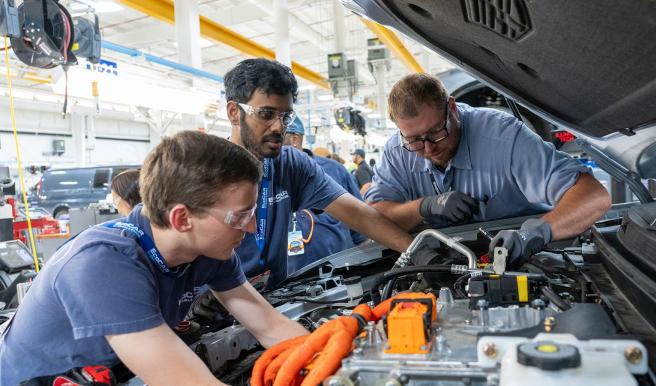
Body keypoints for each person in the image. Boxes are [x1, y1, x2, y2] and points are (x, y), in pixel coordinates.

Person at [0, 131, 308, 385]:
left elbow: (269, 326)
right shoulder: (103, 264)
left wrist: (328, 362)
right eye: (241, 216)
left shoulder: (208, 250)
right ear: (182, 219)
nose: (253, 227)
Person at [364, 73, 611, 267]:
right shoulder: (397, 150)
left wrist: (536, 233)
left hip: (525, 256)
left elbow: (593, 195)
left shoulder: (504, 137)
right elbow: (376, 219)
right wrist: (424, 206)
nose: (427, 148)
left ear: (452, 108)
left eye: (436, 132)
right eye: (414, 139)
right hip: (445, 261)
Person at [223, 58, 411, 288]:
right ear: (234, 112)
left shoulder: (290, 164)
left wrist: (415, 250)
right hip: (214, 306)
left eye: (285, 116)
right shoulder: (201, 170)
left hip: (273, 299)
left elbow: (359, 215)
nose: (279, 127)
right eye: (266, 114)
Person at [282, 116, 366, 273]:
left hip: (341, 273)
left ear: (294, 139)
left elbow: (360, 227)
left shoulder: (334, 171)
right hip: (291, 281)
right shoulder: (269, 176)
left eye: (278, 136)